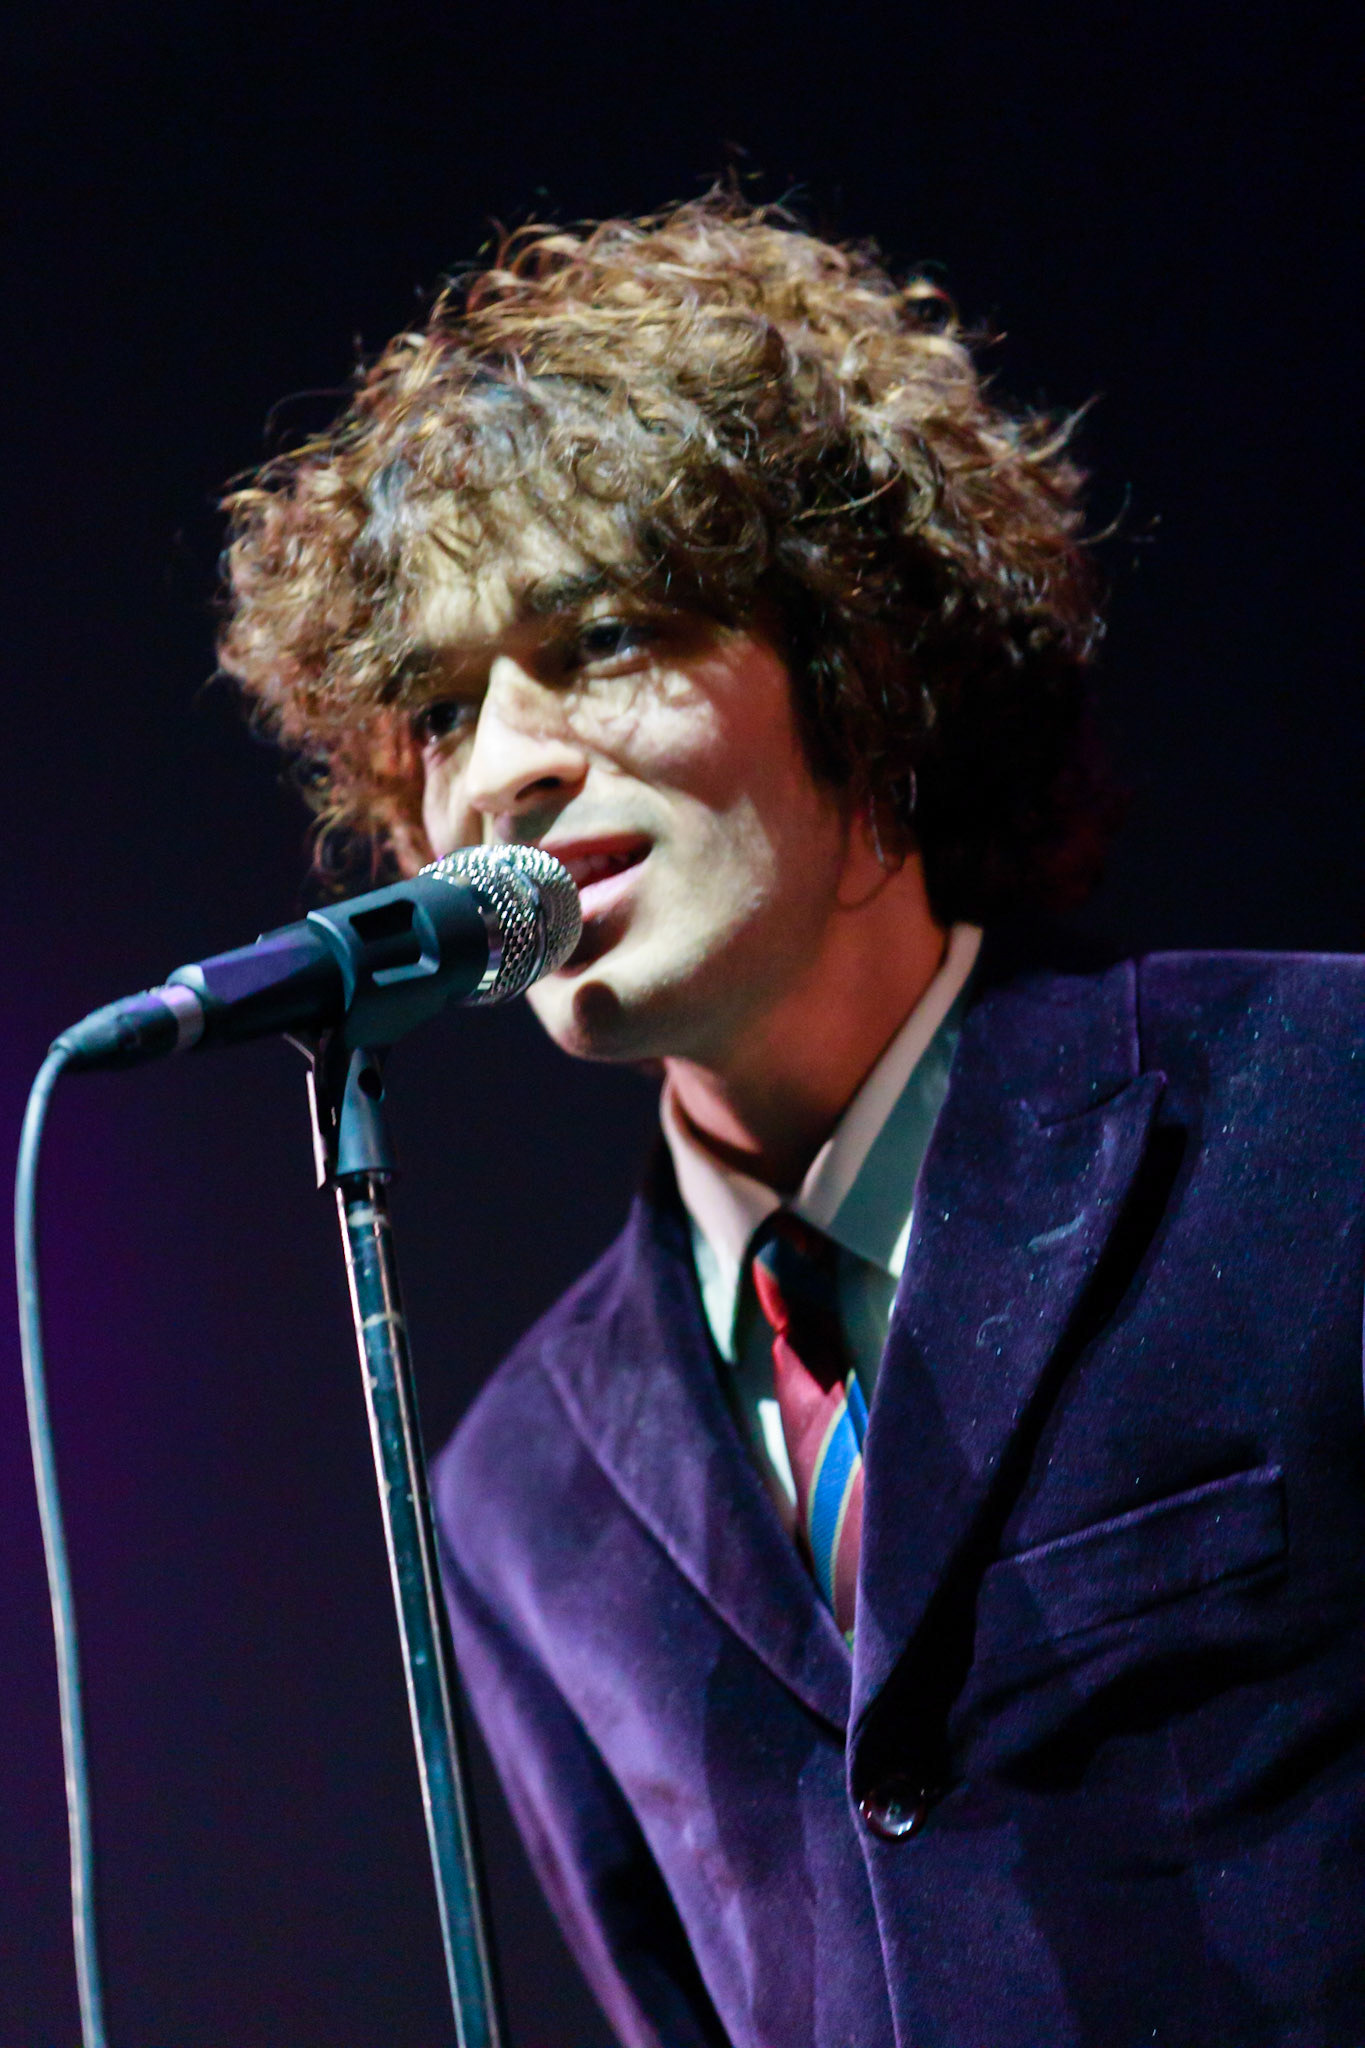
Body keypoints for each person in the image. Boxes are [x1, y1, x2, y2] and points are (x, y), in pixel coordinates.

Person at [217, 195, 1365, 2048]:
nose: (499, 764)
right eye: (436, 708)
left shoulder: (1317, 1116)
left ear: (862, 671)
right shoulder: (522, 1492)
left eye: (597, 635)